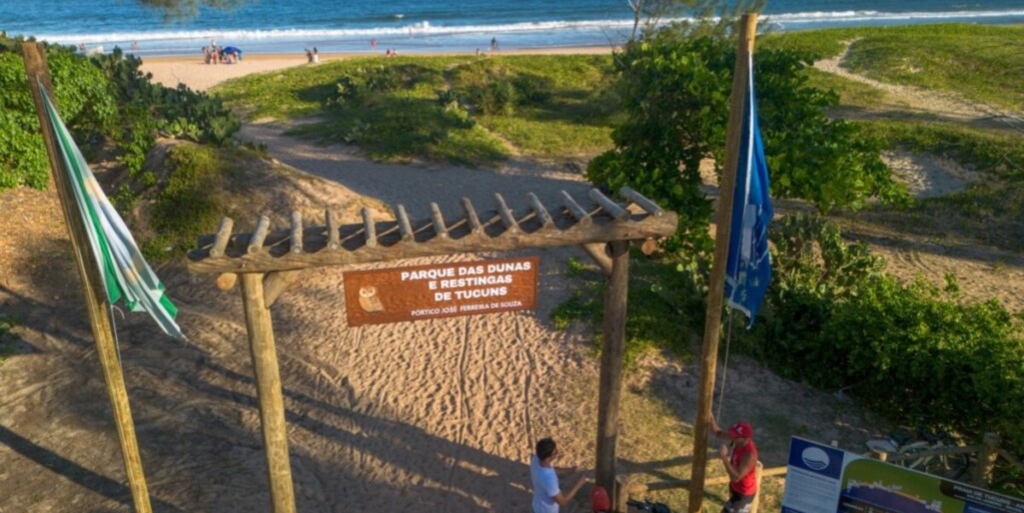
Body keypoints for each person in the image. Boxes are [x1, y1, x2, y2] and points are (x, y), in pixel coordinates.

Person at [711, 417, 759, 513]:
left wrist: (724, 458)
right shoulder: (737, 439)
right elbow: (717, 432)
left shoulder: (750, 455)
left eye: (735, 435)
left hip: (744, 494)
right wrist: (710, 417)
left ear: (745, 438)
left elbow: (736, 477)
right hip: (735, 488)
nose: (732, 437)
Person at [530, 437, 589, 513]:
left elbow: (551, 469)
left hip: (537, 504)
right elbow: (563, 502)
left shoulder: (536, 459)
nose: (557, 453)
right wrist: (579, 484)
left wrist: (569, 470)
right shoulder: (549, 480)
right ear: (548, 457)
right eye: (555, 452)